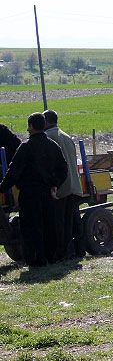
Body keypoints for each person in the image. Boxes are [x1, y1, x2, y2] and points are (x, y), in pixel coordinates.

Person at [0, 113, 67, 266]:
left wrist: (2, 188)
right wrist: (55, 185)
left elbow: (14, 171)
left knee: (31, 227)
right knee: (49, 225)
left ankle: (36, 259)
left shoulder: (25, 147)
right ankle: (51, 257)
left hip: (29, 194)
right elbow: (63, 169)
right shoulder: (53, 146)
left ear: (31, 126)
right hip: (48, 193)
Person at [43, 110, 85, 261]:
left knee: (60, 223)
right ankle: (79, 250)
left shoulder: (47, 138)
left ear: (46, 122)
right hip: (74, 184)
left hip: (61, 186)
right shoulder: (66, 137)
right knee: (73, 219)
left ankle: (64, 252)